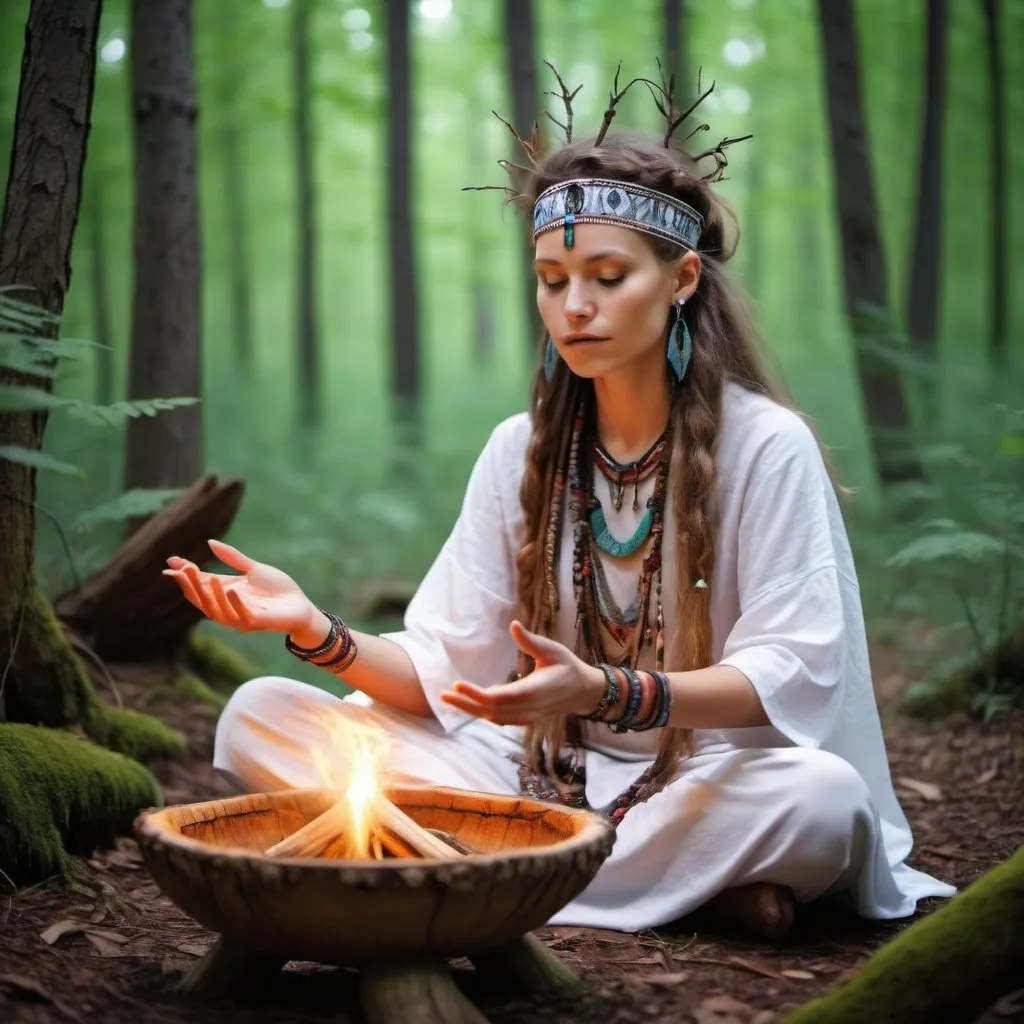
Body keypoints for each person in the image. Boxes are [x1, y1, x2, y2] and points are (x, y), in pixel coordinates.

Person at [164, 101, 954, 941]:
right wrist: (317, 630)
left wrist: (606, 690)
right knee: (256, 714)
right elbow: (442, 665)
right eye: (552, 281)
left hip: (706, 777)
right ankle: (679, 887)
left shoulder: (767, 446)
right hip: (529, 776)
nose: (575, 305)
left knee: (825, 804)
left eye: (608, 278)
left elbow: (791, 673)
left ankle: (485, 865)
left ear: (681, 280)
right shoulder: (520, 449)